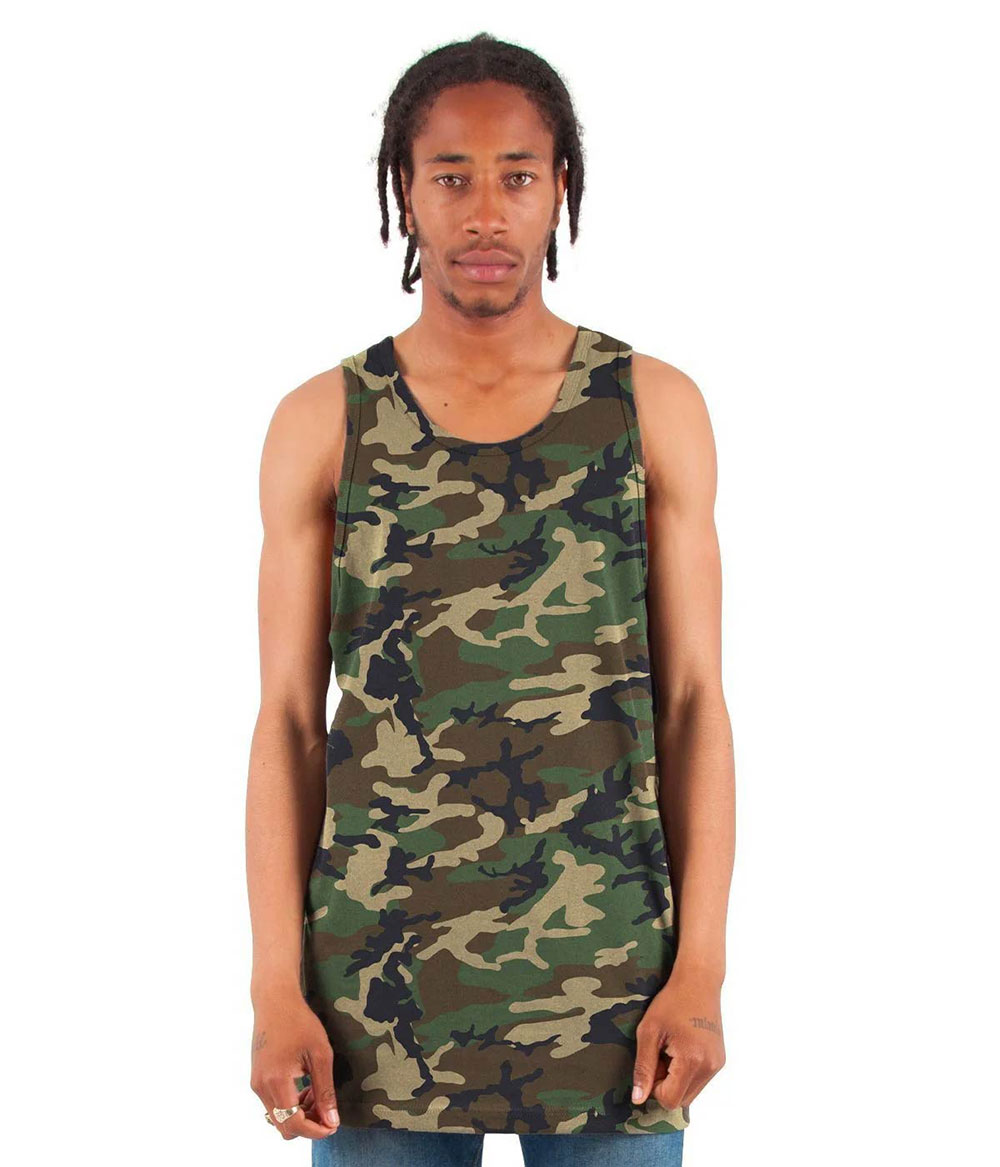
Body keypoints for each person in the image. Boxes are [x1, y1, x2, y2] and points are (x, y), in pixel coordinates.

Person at [246, 33, 734, 1167]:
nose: (483, 212)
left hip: (615, 986)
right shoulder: (325, 420)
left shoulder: (650, 405)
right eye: (450, 176)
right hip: (375, 995)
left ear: (559, 186)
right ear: (403, 190)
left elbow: (692, 704)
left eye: (515, 175)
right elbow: (289, 721)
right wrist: (275, 986)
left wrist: (702, 971)